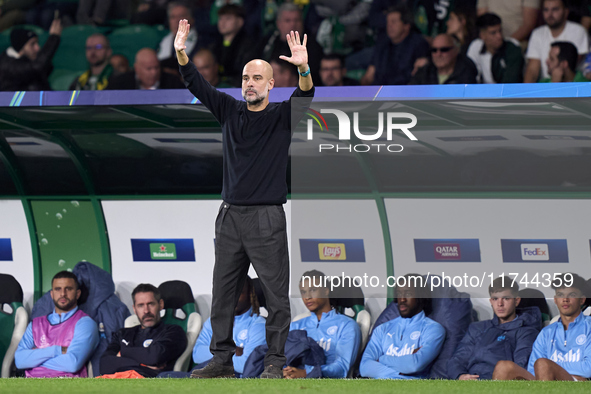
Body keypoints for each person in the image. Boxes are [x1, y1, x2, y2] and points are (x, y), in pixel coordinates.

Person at [175, 18, 314, 379]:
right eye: (245, 79)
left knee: (275, 296)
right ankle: (221, 361)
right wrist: (181, 54)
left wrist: (303, 68)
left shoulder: (282, 117)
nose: (249, 84)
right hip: (230, 216)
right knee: (222, 294)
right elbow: (196, 83)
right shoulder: (228, 110)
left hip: (267, 217)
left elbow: (306, 95)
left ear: (271, 84)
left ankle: (273, 362)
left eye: (257, 79)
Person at [493, 273, 591, 381]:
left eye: (572, 295)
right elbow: (532, 369)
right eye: (560, 295)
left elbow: (588, 368)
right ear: (555, 299)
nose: (565, 299)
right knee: (503, 368)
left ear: (582, 300)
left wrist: (551, 367)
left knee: (543, 364)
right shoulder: (546, 332)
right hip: (544, 379)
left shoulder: (589, 326)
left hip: (578, 383)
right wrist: (546, 369)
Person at [447, 277, 540, 380]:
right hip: (472, 381)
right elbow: (457, 360)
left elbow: (520, 367)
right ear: (491, 301)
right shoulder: (477, 328)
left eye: (506, 298)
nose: (500, 304)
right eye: (495, 299)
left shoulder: (527, 332)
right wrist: (460, 376)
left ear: (516, 301)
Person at [359, 274, 446, 379]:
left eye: (408, 294)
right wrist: (400, 374)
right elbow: (365, 367)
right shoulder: (382, 329)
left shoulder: (433, 329)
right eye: (399, 294)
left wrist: (382, 359)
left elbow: (414, 365)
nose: (402, 299)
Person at [15, 271, 99, 377]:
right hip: (31, 384)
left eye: (68, 289)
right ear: (52, 294)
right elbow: (19, 360)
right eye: (58, 289)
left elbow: (72, 364)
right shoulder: (35, 324)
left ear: (77, 294)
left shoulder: (85, 323)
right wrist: (57, 350)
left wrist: (34, 360)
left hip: (68, 385)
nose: (63, 294)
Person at [283, 270, 361, 379]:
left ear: (326, 291)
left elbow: (342, 367)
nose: (307, 297)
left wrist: (307, 373)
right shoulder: (295, 326)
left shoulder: (347, 326)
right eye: (303, 292)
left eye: (313, 290)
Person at [100, 283, 187, 377]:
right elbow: (104, 364)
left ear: (160, 304)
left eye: (151, 304)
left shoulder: (173, 332)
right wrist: (140, 364)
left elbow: (154, 356)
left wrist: (123, 353)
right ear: (134, 309)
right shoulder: (122, 334)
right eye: (141, 305)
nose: (146, 311)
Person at [192, 277, 266, 377]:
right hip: (209, 377)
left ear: (250, 294)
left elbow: (246, 365)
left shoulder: (259, 325)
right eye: (228, 293)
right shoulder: (213, 321)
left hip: (236, 381)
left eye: (238, 292)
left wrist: (217, 357)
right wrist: (229, 351)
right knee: (168, 375)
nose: (231, 297)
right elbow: (197, 354)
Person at [361, 5, 430, 86]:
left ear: (406, 25)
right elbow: (369, 75)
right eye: (388, 22)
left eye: (393, 21)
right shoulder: (382, 45)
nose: (389, 25)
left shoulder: (418, 44)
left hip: (405, 93)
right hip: (381, 93)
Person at [524, 0, 589, 82]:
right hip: (548, 83)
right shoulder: (537, 34)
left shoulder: (578, 30)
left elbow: (570, 65)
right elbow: (532, 70)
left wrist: (555, 83)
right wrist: (526, 93)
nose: (550, 14)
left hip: (576, 85)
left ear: (566, 11)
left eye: (555, 9)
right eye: (546, 10)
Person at [260, 3, 324, 85]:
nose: (293, 24)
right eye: (288, 20)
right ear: (278, 23)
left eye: (297, 20)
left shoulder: (313, 47)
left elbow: (316, 77)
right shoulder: (267, 44)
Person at [0, 20, 62, 91]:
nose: (38, 48)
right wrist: (54, 38)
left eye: (37, 43)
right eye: (32, 44)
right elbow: (37, 67)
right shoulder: (7, 65)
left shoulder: (29, 59)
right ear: (21, 48)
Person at [467, 13, 524, 84]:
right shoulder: (476, 46)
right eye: (493, 33)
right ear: (482, 35)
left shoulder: (512, 48)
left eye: (500, 31)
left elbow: (509, 84)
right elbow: (469, 76)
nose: (499, 36)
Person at [210, 4, 258, 87]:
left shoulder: (248, 45)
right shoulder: (214, 44)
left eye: (228, 18)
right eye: (221, 18)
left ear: (240, 22)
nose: (223, 22)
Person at [410, 33, 478, 85]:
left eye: (444, 50)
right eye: (434, 50)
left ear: (456, 50)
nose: (438, 54)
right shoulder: (424, 72)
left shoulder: (467, 71)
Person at [108, 48, 185, 90]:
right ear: (137, 68)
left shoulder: (173, 83)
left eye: (156, 67)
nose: (154, 72)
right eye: (149, 69)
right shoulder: (119, 84)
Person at [157, 2, 200, 73]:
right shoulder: (161, 43)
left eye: (181, 16)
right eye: (173, 17)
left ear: (191, 20)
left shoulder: (200, 43)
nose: (177, 21)